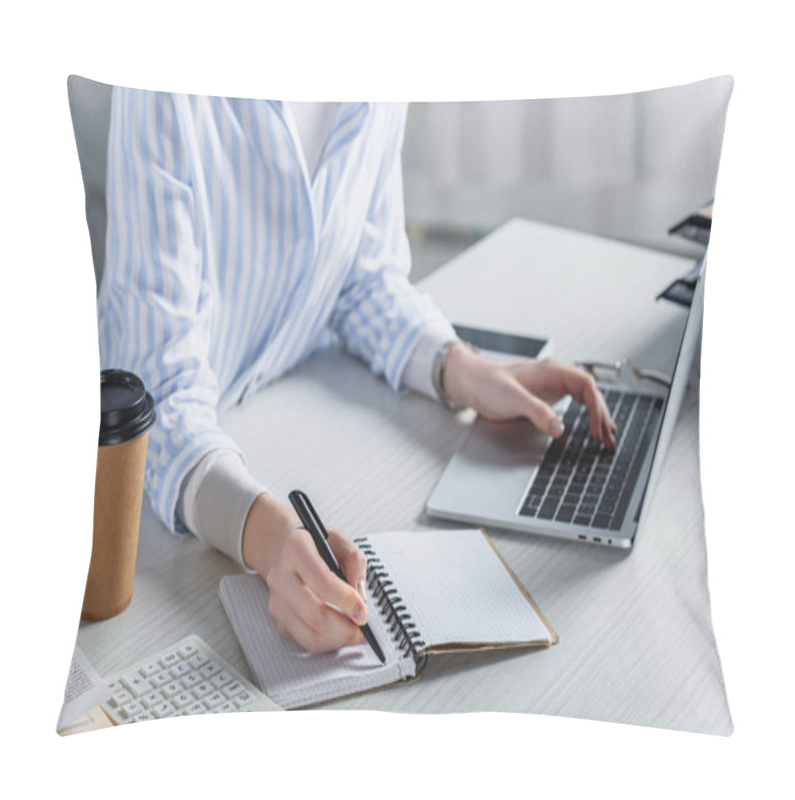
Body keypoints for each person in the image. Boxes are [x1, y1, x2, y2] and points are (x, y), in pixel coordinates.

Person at [98, 89, 616, 656]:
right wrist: (270, 540)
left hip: (282, 418)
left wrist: (458, 366)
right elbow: (161, 396)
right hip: (129, 513)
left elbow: (363, 278)